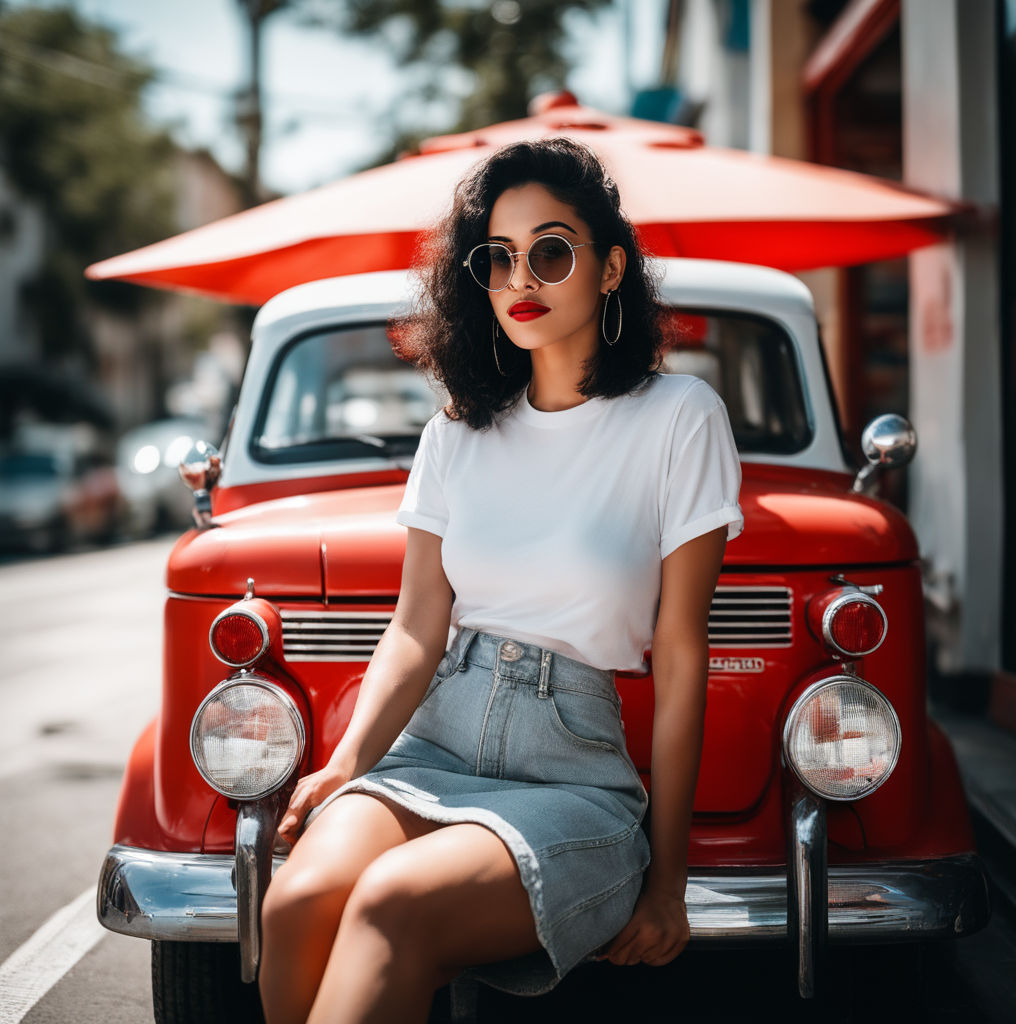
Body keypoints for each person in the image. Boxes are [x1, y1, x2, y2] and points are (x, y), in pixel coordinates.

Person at [258, 137, 743, 1024]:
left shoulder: (680, 418)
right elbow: (415, 628)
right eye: (498, 257)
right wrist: (346, 764)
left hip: (571, 775)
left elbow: (680, 655)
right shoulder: (459, 429)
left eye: (552, 251)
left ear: (609, 270)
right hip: (433, 745)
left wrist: (669, 881)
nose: (524, 277)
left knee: (391, 907)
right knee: (295, 901)